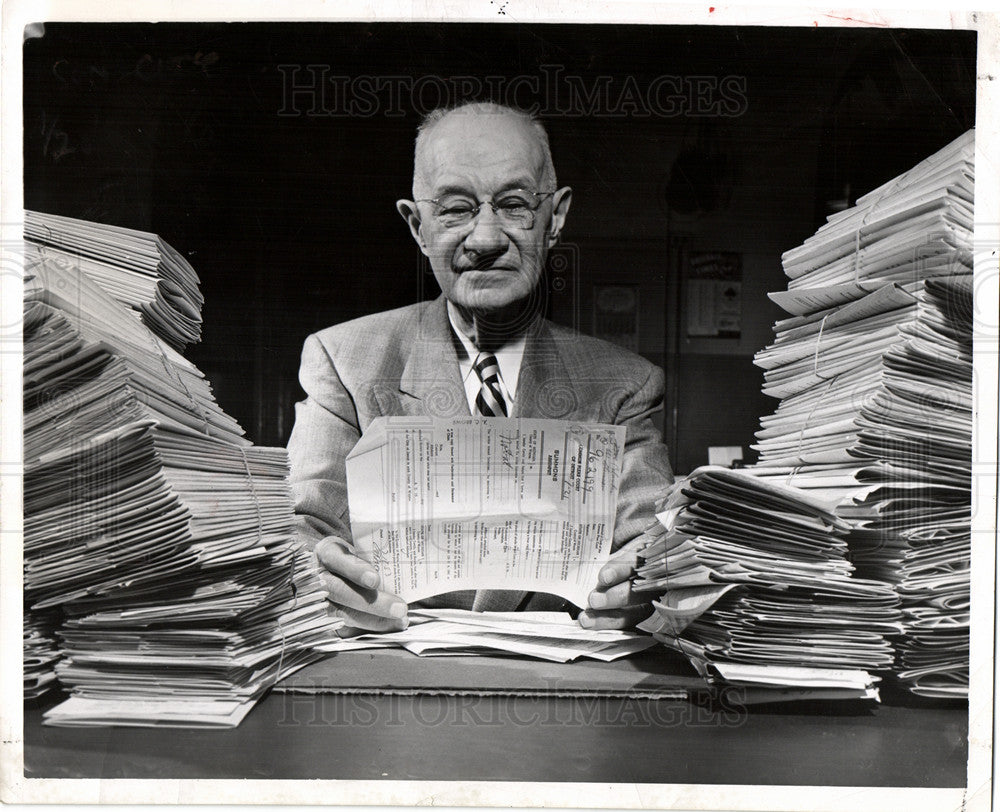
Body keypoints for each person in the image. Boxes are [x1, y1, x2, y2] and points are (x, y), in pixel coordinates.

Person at [287, 101, 673, 635]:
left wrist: (643, 579)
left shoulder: (624, 384)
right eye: (455, 209)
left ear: (554, 218)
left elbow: (650, 541)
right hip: (389, 684)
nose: (486, 239)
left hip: (559, 691)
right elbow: (300, 526)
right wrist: (320, 569)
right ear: (417, 224)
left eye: (514, 205)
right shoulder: (345, 361)